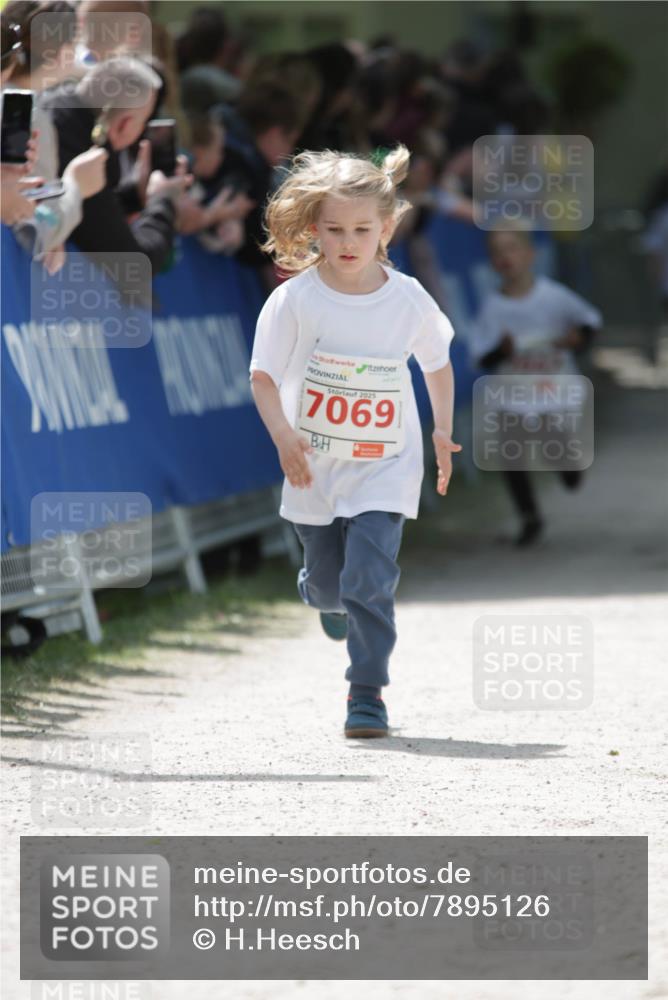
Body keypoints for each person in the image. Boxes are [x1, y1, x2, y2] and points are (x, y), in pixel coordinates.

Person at [249, 145, 460, 738]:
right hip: (314, 467)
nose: (348, 242)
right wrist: (285, 437)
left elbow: (437, 364)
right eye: (335, 229)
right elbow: (263, 377)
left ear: (386, 227)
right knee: (328, 586)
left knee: (368, 577)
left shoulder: (408, 297)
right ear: (313, 226)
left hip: (385, 464)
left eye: (363, 230)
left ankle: (366, 692)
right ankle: (326, 596)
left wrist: (442, 432)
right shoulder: (295, 299)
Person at [473, 228, 602, 546]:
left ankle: (568, 465)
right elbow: (481, 356)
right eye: (498, 251)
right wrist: (500, 352)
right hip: (513, 391)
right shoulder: (493, 308)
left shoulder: (552, 295)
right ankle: (529, 516)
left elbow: (588, 321)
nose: (506, 257)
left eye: (513, 248)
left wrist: (578, 339)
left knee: (550, 440)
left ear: (531, 255)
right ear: (492, 262)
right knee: (510, 452)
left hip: (552, 387)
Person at [42, 56, 191, 281]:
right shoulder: (84, 156)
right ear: (125, 124)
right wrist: (164, 200)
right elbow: (135, 265)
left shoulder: (51, 114)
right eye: (144, 122)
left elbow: (93, 217)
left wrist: (135, 194)